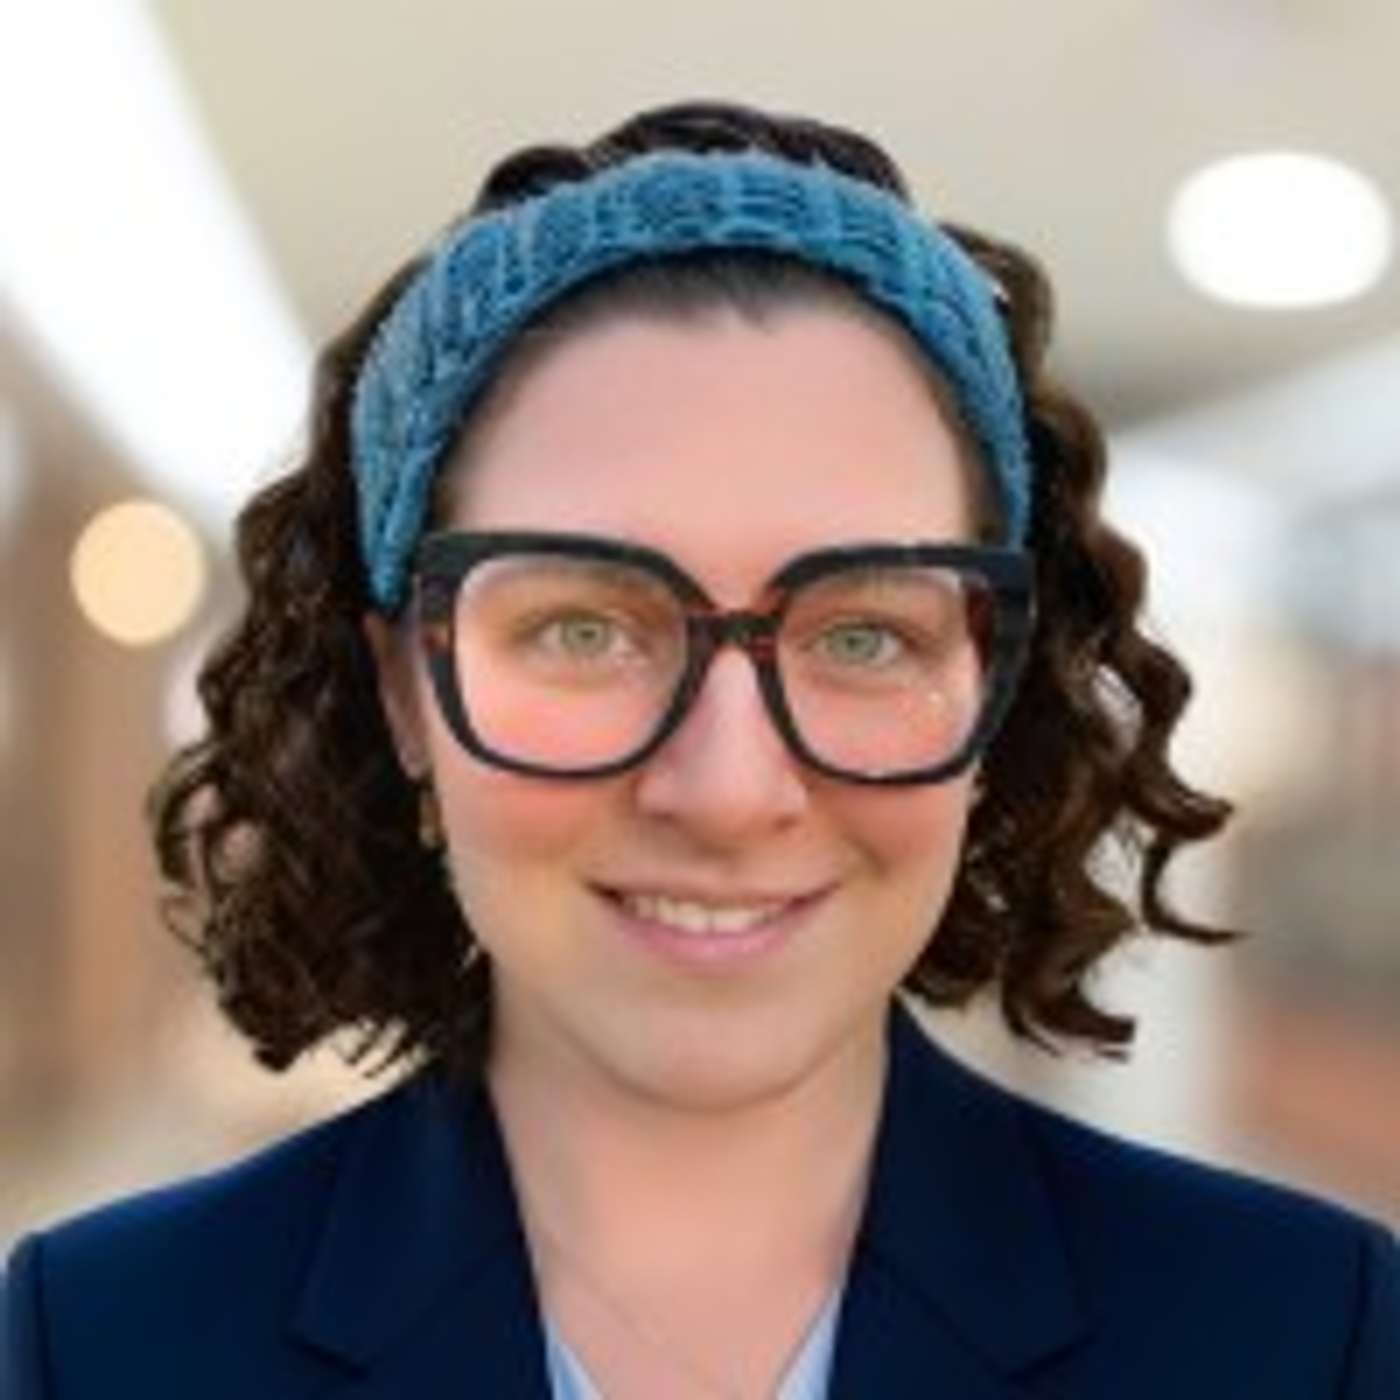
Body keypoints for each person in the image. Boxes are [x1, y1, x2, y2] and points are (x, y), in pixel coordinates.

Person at [2, 100, 1395, 1400]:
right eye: (583, 629)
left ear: (995, 688)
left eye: (864, 635)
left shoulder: (1299, 1335)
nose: (728, 792)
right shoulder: (106, 1344)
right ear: (408, 693)